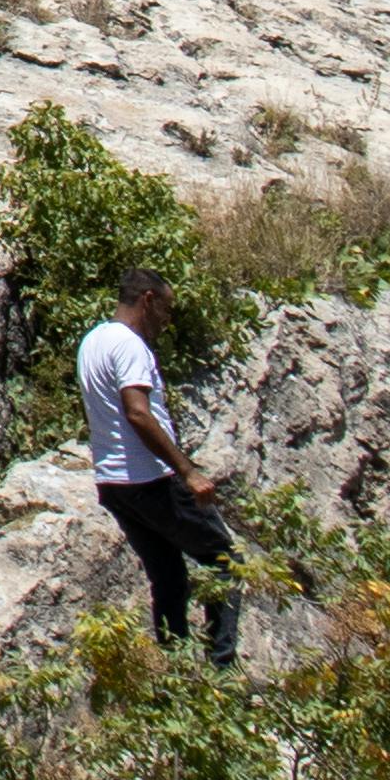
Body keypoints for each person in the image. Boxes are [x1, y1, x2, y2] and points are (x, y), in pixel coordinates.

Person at [78, 268, 242, 663]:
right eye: (165, 311)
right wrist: (187, 471)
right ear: (147, 300)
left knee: (168, 577)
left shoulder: (93, 341)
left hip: (114, 484)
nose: (167, 323)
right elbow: (137, 412)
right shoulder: (130, 345)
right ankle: (222, 668)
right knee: (225, 559)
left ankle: (175, 673)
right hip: (149, 479)